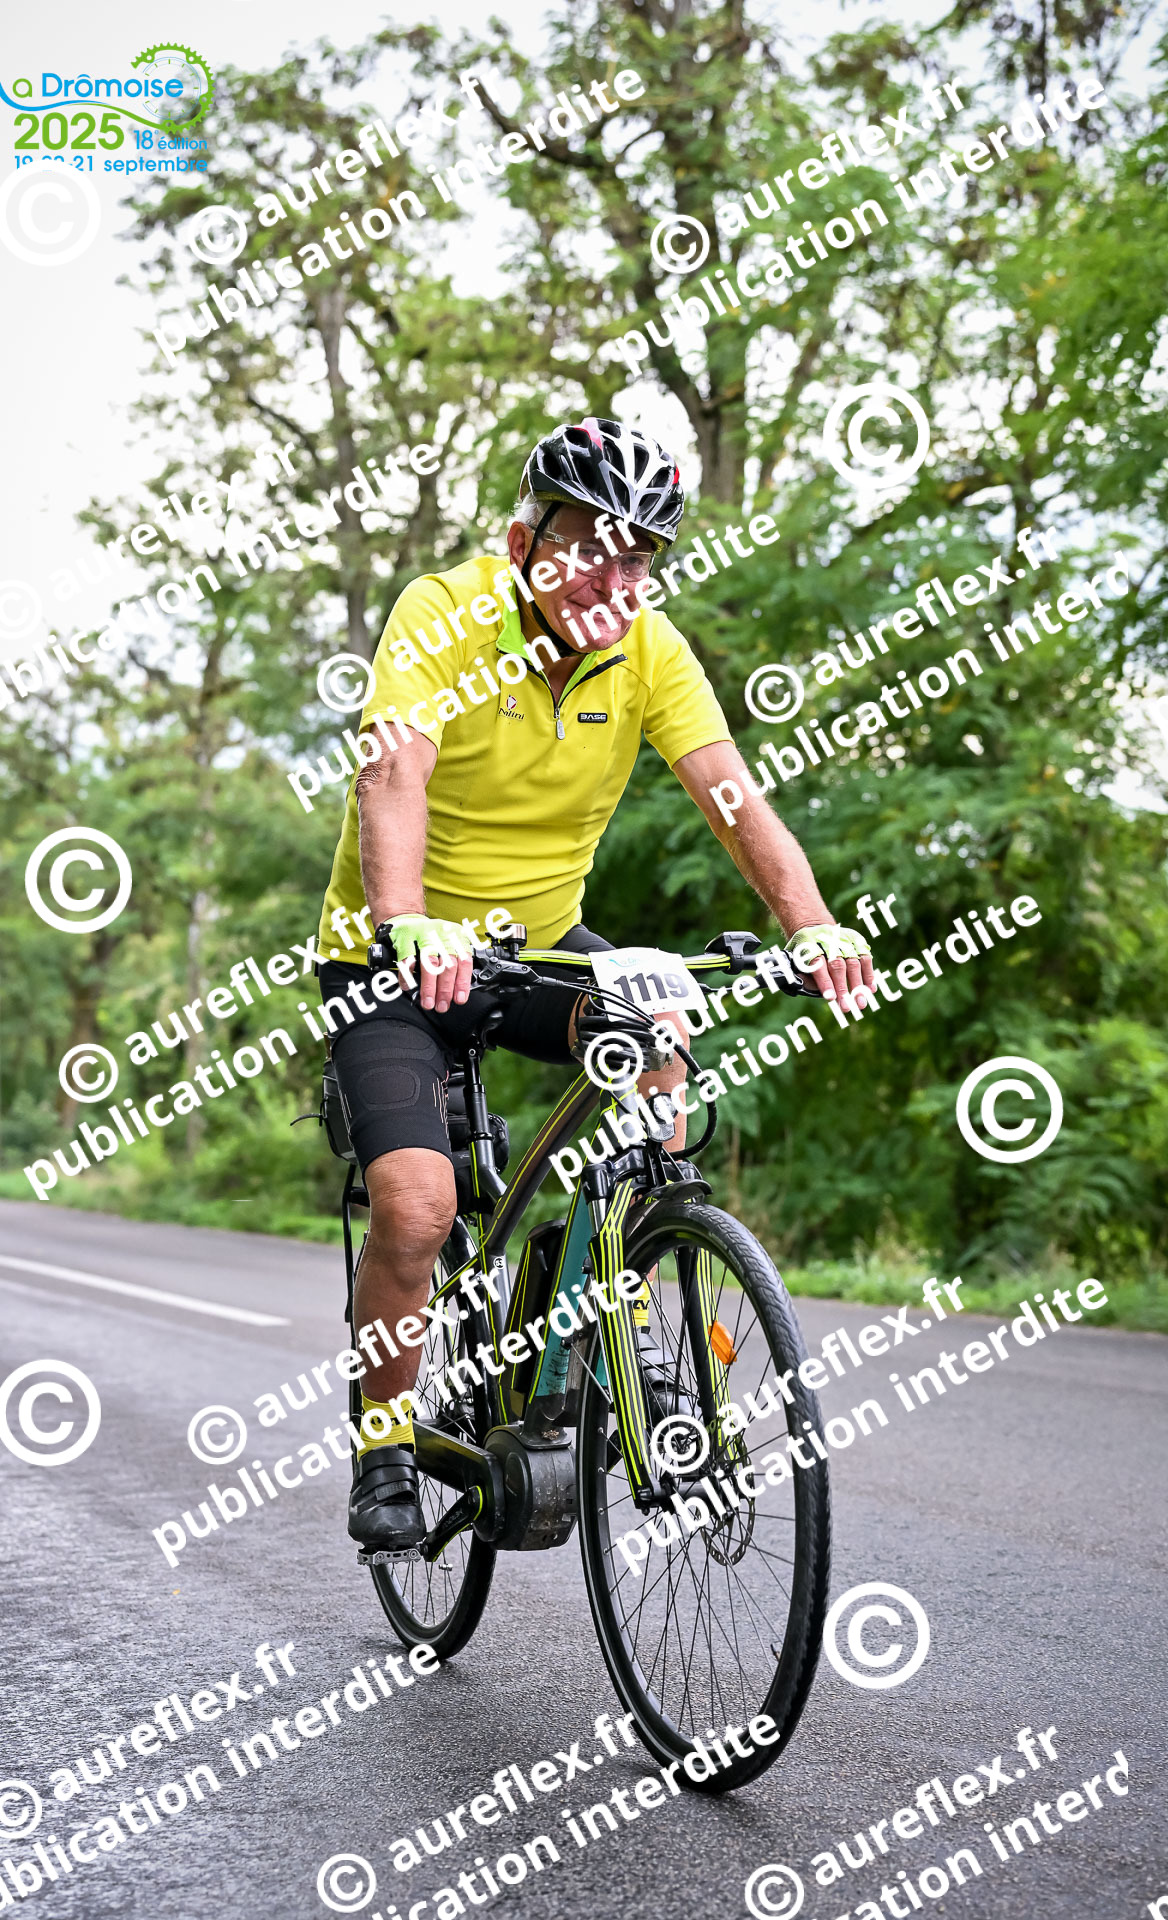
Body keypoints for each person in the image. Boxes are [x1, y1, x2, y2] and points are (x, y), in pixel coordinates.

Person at [315, 416, 874, 1551]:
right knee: (417, 1209)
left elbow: (730, 798)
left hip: (542, 944)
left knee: (658, 1033)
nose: (613, 583)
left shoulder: (649, 650)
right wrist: (406, 917)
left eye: (638, 559)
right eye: (588, 549)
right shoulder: (444, 610)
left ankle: (620, 1301)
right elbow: (394, 771)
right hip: (393, 954)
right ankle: (384, 1446)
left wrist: (811, 925)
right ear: (523, 540)